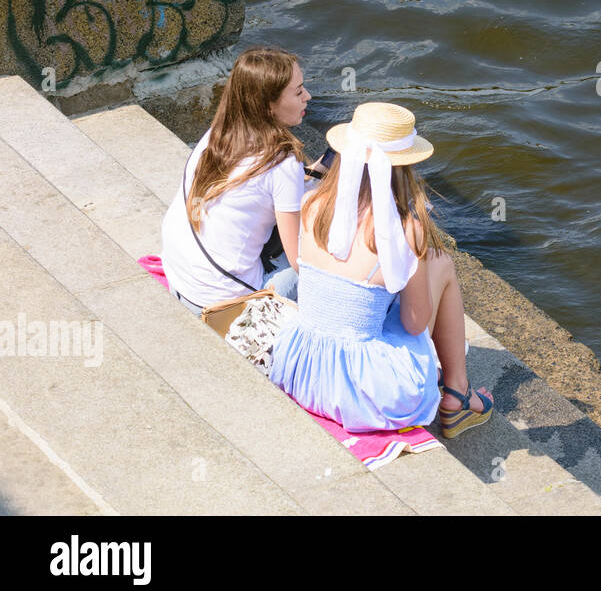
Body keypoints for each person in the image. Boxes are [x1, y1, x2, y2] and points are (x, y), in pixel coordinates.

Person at [268, 102, 494, 438]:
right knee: (442, 263)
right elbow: (415, 323)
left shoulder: (311, 204)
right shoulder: (405, 230)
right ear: (403, 167)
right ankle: (458, 394)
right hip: (361, 392)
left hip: (302, 370)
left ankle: (458, 393)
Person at [161, 46, 312, 315]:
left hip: (181, 280)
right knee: (335, 267)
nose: (307, 97)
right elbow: (300, 260)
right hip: (225, 305)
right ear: (268, 105)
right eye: (298, 91)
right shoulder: (282, 162)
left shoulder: (218, 134)